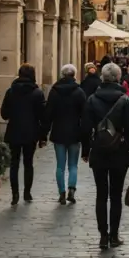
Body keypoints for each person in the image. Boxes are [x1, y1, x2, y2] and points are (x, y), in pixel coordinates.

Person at [81, 62, 129, 249]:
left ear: (102, 77)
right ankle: (114, 235)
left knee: (101, 195)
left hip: (99, 151)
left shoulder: (91, 100)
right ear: (119, 77)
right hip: (119, 151)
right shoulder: (125, 100)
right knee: (115, 195)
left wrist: (86, 151)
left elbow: (85, 128)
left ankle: (103, 236)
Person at [0, 64, 47, 206]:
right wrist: (42, 136)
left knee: (14, 164)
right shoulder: (37, 93)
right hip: (31, 132)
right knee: (28, 163)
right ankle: (27, 192)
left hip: (14, 131)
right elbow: (42, 116)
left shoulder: (11, 92)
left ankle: (15, 194)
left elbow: (4, 114)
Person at [46, 64, 87, 205]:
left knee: (60, 166)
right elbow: (85, 115)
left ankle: (61, 192)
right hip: (75, 132)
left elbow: (48, 114)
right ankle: (71, 189)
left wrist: (43, 133)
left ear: (62, 75)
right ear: (74, 75)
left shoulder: (54, 92)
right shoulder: (79, 92)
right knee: (73, 165)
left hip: (58, 132)